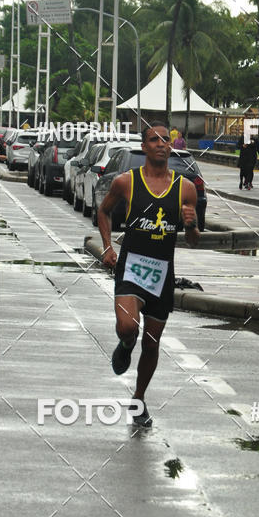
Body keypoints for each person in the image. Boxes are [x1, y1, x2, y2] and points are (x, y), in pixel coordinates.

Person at [98, 124, 200, 427]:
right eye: (153, 140)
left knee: (152, 343)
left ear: (171, 147)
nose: (160, 144)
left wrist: (192, 226)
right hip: (131, 267)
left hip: (162, 274)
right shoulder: (125, 182)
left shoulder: (186, 188)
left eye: (164, 140)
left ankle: (139, 398)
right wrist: (107, 247)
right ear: (144, 147)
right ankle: (126, 343)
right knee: (128, 326)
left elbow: (194, 240)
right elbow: (104, 211)